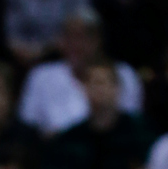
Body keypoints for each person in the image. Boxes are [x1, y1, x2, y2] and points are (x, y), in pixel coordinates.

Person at [18, 6, 143, 137]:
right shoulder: (41, 76)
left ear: (98, 40)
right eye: (69, 36)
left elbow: (132, 123)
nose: (76, 44)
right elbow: (27, 125)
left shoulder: (124, 74)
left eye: (83, 37)